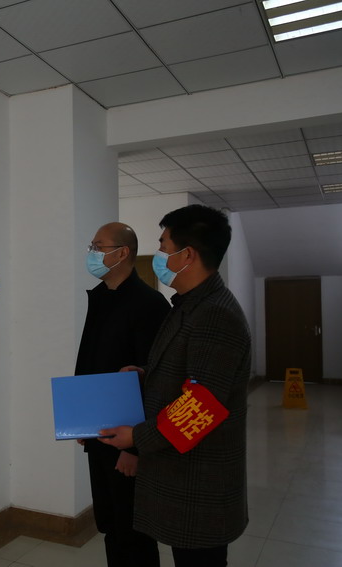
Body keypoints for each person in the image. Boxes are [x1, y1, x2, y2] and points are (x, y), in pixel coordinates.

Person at [99, 205, 251, 567]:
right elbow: (189, 371)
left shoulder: (215, 314)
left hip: (199, 481)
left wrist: (137, 438)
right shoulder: (189, 304)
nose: (159, 254)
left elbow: (201, 406)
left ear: (188, 255)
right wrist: (144, 373)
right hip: (180, 473)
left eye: (164, 246)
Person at [76, 222, 169, 567]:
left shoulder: (150, 304)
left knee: (134, 530)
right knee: (110, 524)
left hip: (129, 439)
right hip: (99, 433)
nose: (92, 253)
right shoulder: (100, 298)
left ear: (122, 253)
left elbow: (155, 379)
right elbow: (92, 364)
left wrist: (135, 448)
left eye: (98, 247)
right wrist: (82, 420)